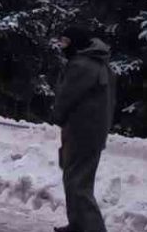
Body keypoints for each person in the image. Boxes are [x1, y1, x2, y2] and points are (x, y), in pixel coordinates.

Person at [51, 26, 115, 232]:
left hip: (82, 132)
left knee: (78, 183)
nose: (62, 47)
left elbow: (67, 96)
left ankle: (93, 228)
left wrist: (57, 116)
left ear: (76, 43)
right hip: (90, 132)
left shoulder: (82, 65)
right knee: (75, 178)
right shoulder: (97, 63)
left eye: (65, 43)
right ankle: (78, 225)